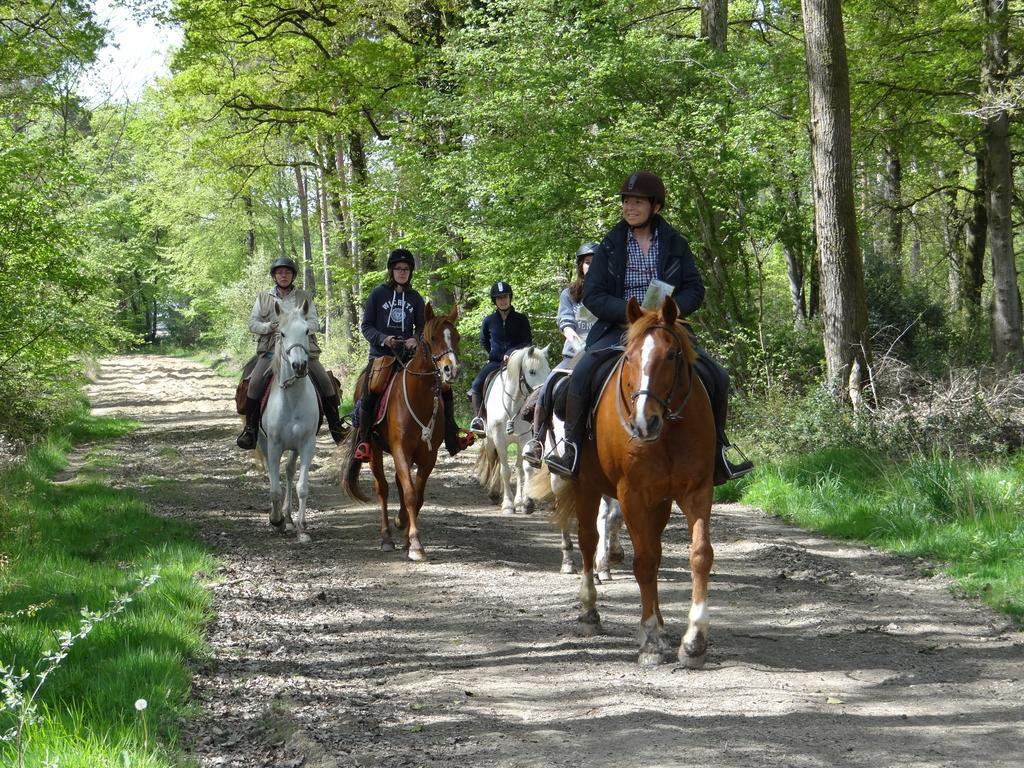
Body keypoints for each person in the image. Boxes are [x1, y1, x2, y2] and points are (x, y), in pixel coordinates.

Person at [544, 171, 754, 484]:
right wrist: (634, 314)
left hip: (667, 328)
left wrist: (674, 309)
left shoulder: (676, 243)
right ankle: (571, 449)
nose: (630, 207)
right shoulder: (609, 248)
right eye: (626, 201)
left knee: (718, 377)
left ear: (655, 206)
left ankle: (719, 453)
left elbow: (695, 287)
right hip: (620, 327)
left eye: (637, 202)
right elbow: (593, 295)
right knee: (583, 374)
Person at [354, 248, 469, 460]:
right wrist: (384, 338)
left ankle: (451, 434)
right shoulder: (378, 294)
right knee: (371, 388)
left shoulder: (415, 297)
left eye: (406, 269)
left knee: (443, 386)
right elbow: (367, 326)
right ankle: (363, 440)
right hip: (382, 354)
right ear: (391, 271)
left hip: (410, 355)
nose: (402, 272)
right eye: (398, 268)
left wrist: (413, 339)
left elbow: (422, 327)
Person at [237, 256, 347, 450]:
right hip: (271, 350)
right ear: (274, 276)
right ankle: (251, 429)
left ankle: (335, 427)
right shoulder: (263, 297)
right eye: (280, 272)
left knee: (326, 382)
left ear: (293, 275)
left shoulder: (304, 296)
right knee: (254, 383)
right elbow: (252, 324)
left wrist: (297, 326)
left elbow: (314, 322)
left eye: (287, 272)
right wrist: (270, 326)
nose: (283, 275)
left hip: (301, 349)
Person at [521, 242, 598, 468]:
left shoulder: (608, 293)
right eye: (587, 263)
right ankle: (537, 442)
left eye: (595, 263)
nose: (591, 267)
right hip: (575, 353)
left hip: (603, 350)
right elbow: (566, 323)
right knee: (548, 385)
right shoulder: (569, 294)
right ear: (580, 266)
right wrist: (579, 344)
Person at [468, 281, 533, 434]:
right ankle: (479, 420)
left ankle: (535, 421)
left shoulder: (521, 319)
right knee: (476, 385)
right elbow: (484, 341)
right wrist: (496, 354)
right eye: (499, 298)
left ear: (510, 298)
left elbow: (527, 341)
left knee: (534, 384)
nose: (502, 300)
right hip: (496, 362)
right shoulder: (488, 321)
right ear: (494, 301)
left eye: (505, 297)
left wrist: (511, 353)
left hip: (518, 362)